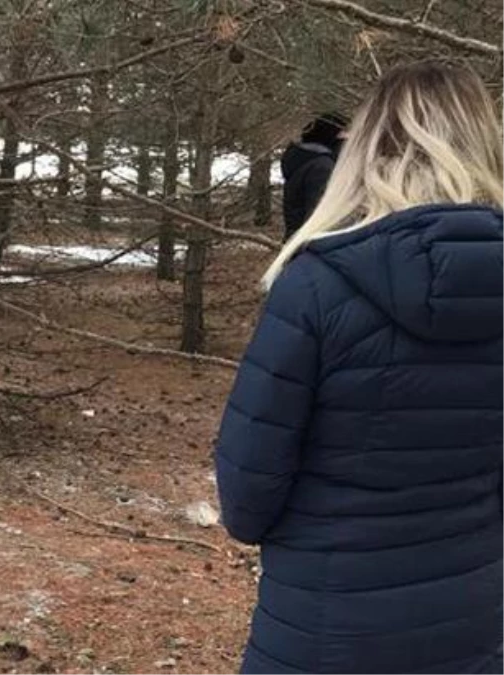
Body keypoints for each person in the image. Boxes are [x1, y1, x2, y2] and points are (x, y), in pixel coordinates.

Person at [215, 61, 504, 674]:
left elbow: (247, 499)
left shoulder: (317, 287)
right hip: (472, 624)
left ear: (369, 147)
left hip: (324, 627)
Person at [280, 112, 347, 241]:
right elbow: (319, 214)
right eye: (344, 136)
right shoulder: (322, 168)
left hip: (297, 240)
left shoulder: (305, 160)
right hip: (310, 244)